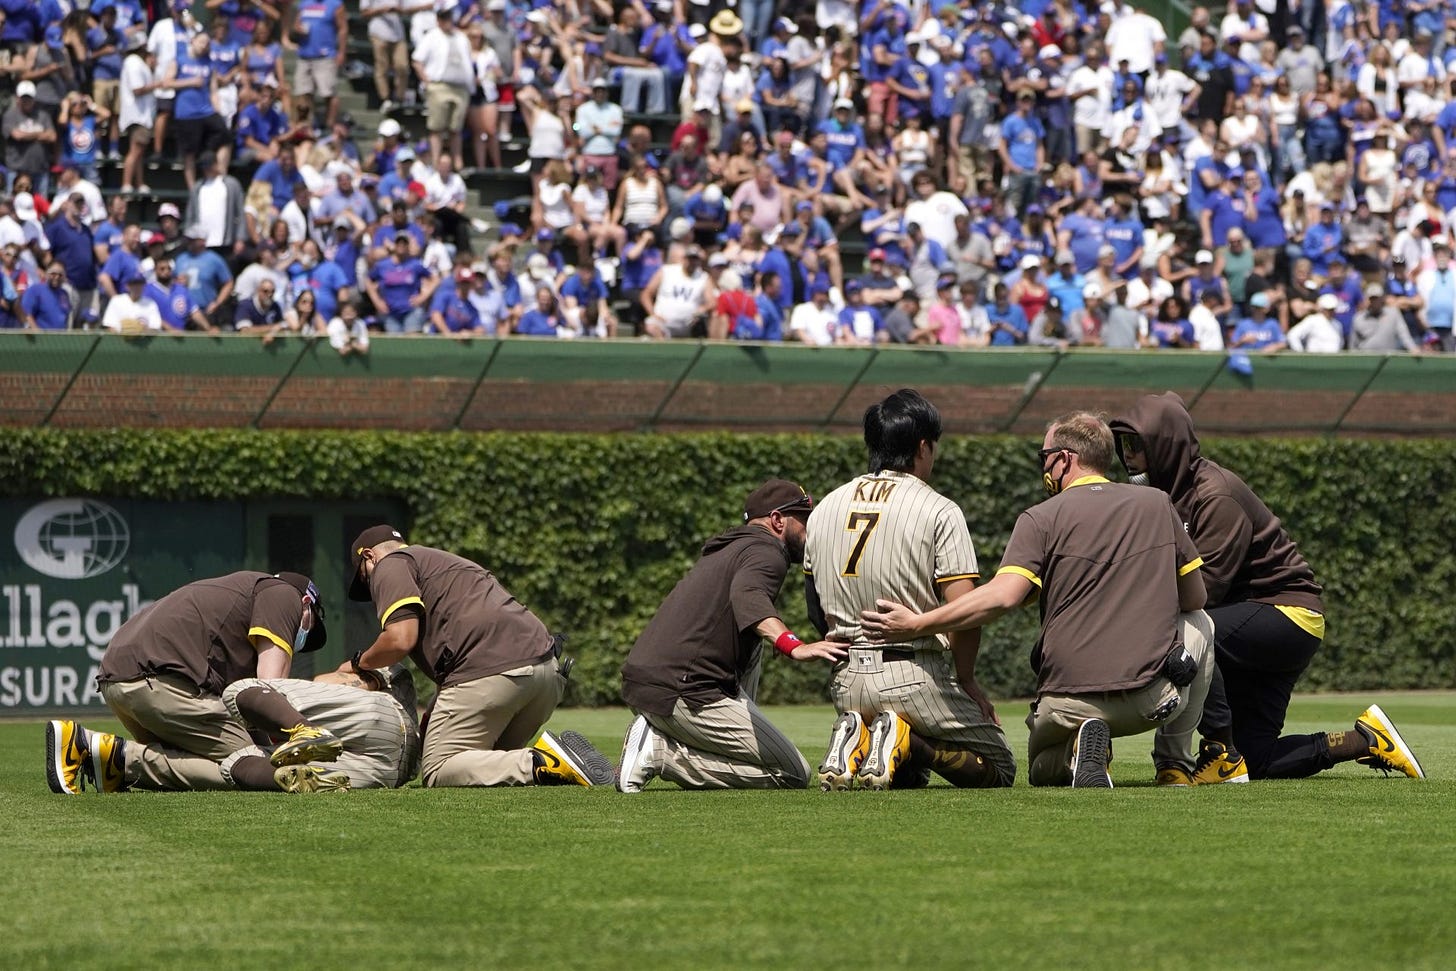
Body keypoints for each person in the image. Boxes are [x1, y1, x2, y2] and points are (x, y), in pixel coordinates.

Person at [861, 411, 1215, 789]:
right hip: (1149, 702)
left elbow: (1002, 597)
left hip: (1065, 705)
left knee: (1042, 771)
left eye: (1043, 457)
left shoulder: (1039, 518)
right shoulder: (1158, 504)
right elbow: (1195, 596)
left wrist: (916, 623)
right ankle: (1174, 765)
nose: (1042, 465)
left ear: (1064, 459)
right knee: (1201, 622)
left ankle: (1076, 749)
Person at [1111, 393, 1426, 783]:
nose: (1128, 456)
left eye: (1136, 445)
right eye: (1123, 444)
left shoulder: (1215, 494)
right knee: (1256, 760)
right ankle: (1364, 741)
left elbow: (1204, 593)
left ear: (1166, 445)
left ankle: (1219, 749)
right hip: (1259, 622)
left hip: (1287, 614)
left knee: (1189, 629)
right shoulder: (1165, 498)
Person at [804, 390, 1018, 791]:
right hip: (914, 673)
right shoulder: (939, 509)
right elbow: (967, 610)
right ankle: (902, 737)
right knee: (999, 767)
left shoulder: (824, 509)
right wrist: (967, 679)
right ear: (923, 446)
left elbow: (815, 608)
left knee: (907, 779)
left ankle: (861, 731)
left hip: (846, 678)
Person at [346, 524, 615, 788]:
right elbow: (471, 630)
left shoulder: (389, 564)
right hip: (546, 674)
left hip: (495, 675)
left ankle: (545, 760)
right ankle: (558, 764)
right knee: (486, 764)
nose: (370, 587)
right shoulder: (449, 562)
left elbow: (400, 639)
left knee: (440, 767)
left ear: (369, 555)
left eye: (364, 578)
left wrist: (360, 663)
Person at [617, 480, 843, 792]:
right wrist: (794, 645)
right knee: (793, 773)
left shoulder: (732, 548)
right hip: (683, 693)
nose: (810, 530)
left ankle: (660, 738)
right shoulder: (768, 552)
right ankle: (660, 753)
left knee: (754, 642)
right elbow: (748, 597)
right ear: (778, 520)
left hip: (647, 684)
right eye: (805, 520)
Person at [47, 571, 337, 794]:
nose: (300, 640)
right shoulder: (283, 594)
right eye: (308, 630)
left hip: (121, 682)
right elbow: (270, 690)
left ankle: (110, 764)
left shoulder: (238, 599)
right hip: (160, 683)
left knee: (248, 758)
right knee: (255, 766)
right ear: (306, 604)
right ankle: (115, 756)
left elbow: (251, 718)